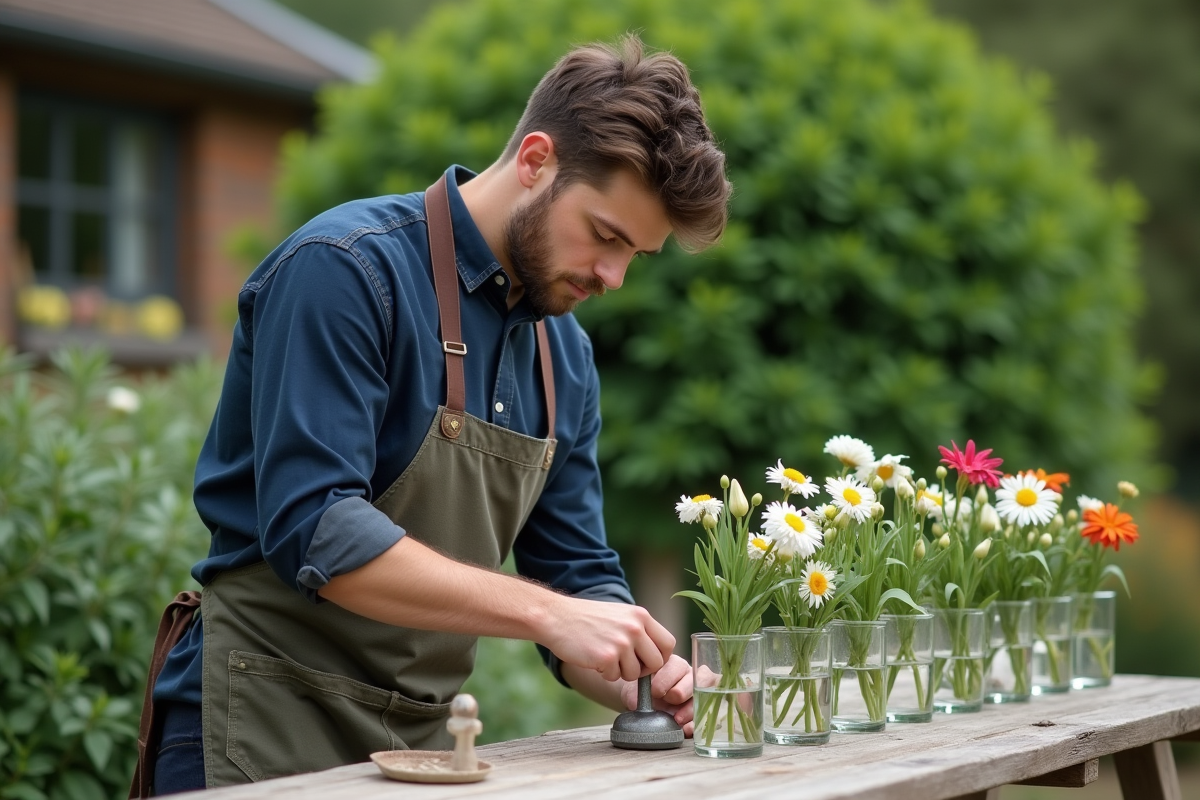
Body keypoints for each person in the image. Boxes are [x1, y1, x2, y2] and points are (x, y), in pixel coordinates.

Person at [133, 33, 730, 795]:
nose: (612, 276)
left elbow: (575, 573)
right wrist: (550, 616)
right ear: (536, 160)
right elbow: (319, 529)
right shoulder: (344, 271)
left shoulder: (565, 355)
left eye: (635, 256)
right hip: (258, 729)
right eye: (605, 236)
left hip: (423, 754)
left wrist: (640, 673)